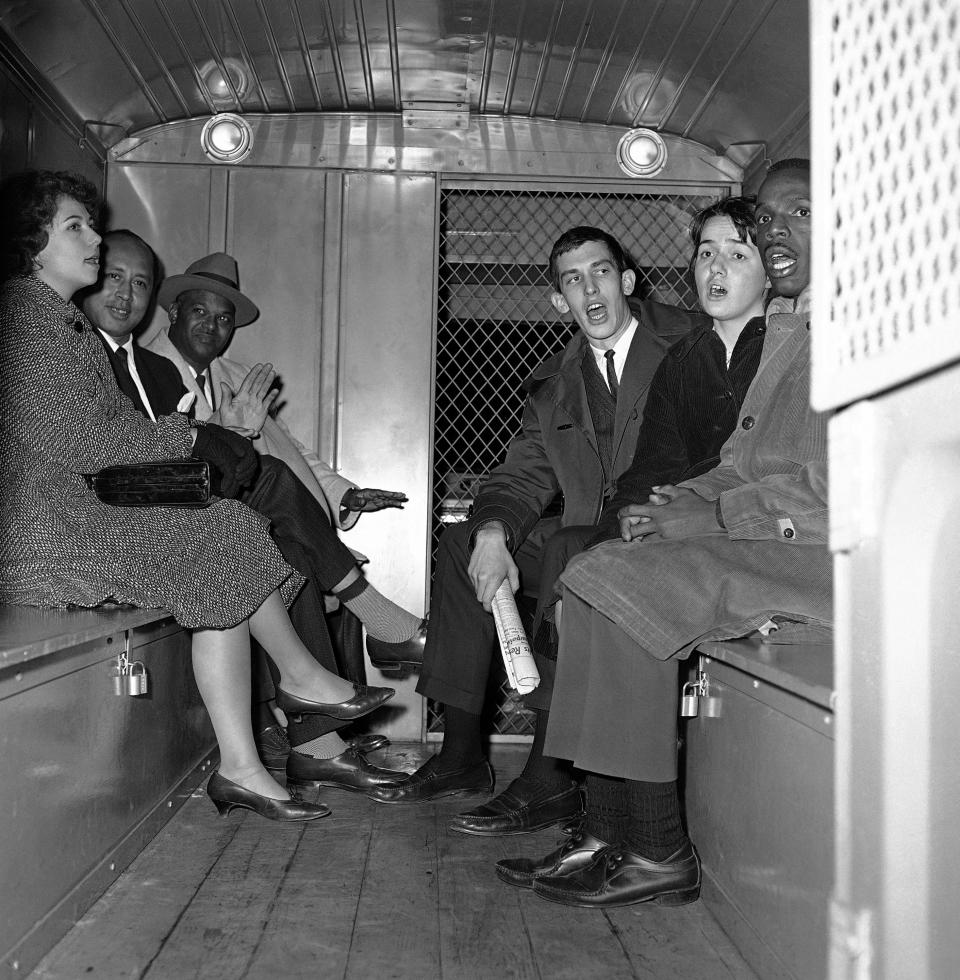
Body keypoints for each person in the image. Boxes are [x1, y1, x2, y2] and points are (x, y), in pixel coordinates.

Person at [0, 169, 396, 823]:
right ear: (33, 241)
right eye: (75, 226)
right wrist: (194, 436)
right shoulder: (23, 320)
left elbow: (97, 439)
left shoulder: (56, 322)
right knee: (225, 531)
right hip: (43, 536)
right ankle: (297, 689)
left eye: (92, 224)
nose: (94, 237)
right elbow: (85, 440)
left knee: (230, 528)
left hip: (77, 515)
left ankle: (246, 760)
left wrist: (199, 440)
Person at [496, 159, 827, 908]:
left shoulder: (859, 332)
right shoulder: (788, 327)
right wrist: (676, 504)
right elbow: (738, 463)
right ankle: (608, 830)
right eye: (767, 219)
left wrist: (706, 516)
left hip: (824, 556)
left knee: (621, 580)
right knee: (595, 568)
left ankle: (658, 849)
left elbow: (842, 493)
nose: (776, 232)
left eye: (798, 214)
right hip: (764, 536)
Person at [367, 227, 706, 832]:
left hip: (667, 528)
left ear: (627, 282)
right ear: (558, 302)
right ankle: (461, 754)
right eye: (572, 280)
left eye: (600, 272)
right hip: (589, 533)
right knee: (465, 540)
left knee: (570, 550)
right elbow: (523, 473)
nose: (589, 288)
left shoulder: (688, 341)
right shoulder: (555, 381)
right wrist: (494, 529)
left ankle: (549, 776)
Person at [77, 230, 413, 792]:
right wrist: (225, 434)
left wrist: (344, 493)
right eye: (200, 312)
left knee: (287, 547)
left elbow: (291, 450)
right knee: (274, 532)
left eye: (224, 318)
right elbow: (143, 454)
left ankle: (319, 739)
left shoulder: (206, 374)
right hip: (141, 527)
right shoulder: (114, 360)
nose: (211, 326)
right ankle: (344, 676)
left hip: (216, 511)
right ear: (174, 311)